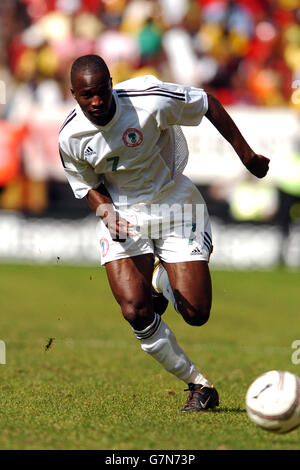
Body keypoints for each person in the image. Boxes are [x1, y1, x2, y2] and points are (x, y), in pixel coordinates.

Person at [58, 54, 270, 412]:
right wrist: (106, 211)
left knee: (196, 313)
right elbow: (87, 185)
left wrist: (246, 155)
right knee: (135, 310)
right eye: (85, 95)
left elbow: (207, 104)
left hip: (175, 203)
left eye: (101, 92)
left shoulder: (149, 97)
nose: (95, 102)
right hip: (123, 215)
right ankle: (199, 385)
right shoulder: (70, 137)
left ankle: (159, 279)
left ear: (111, 84)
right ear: (73, 94)